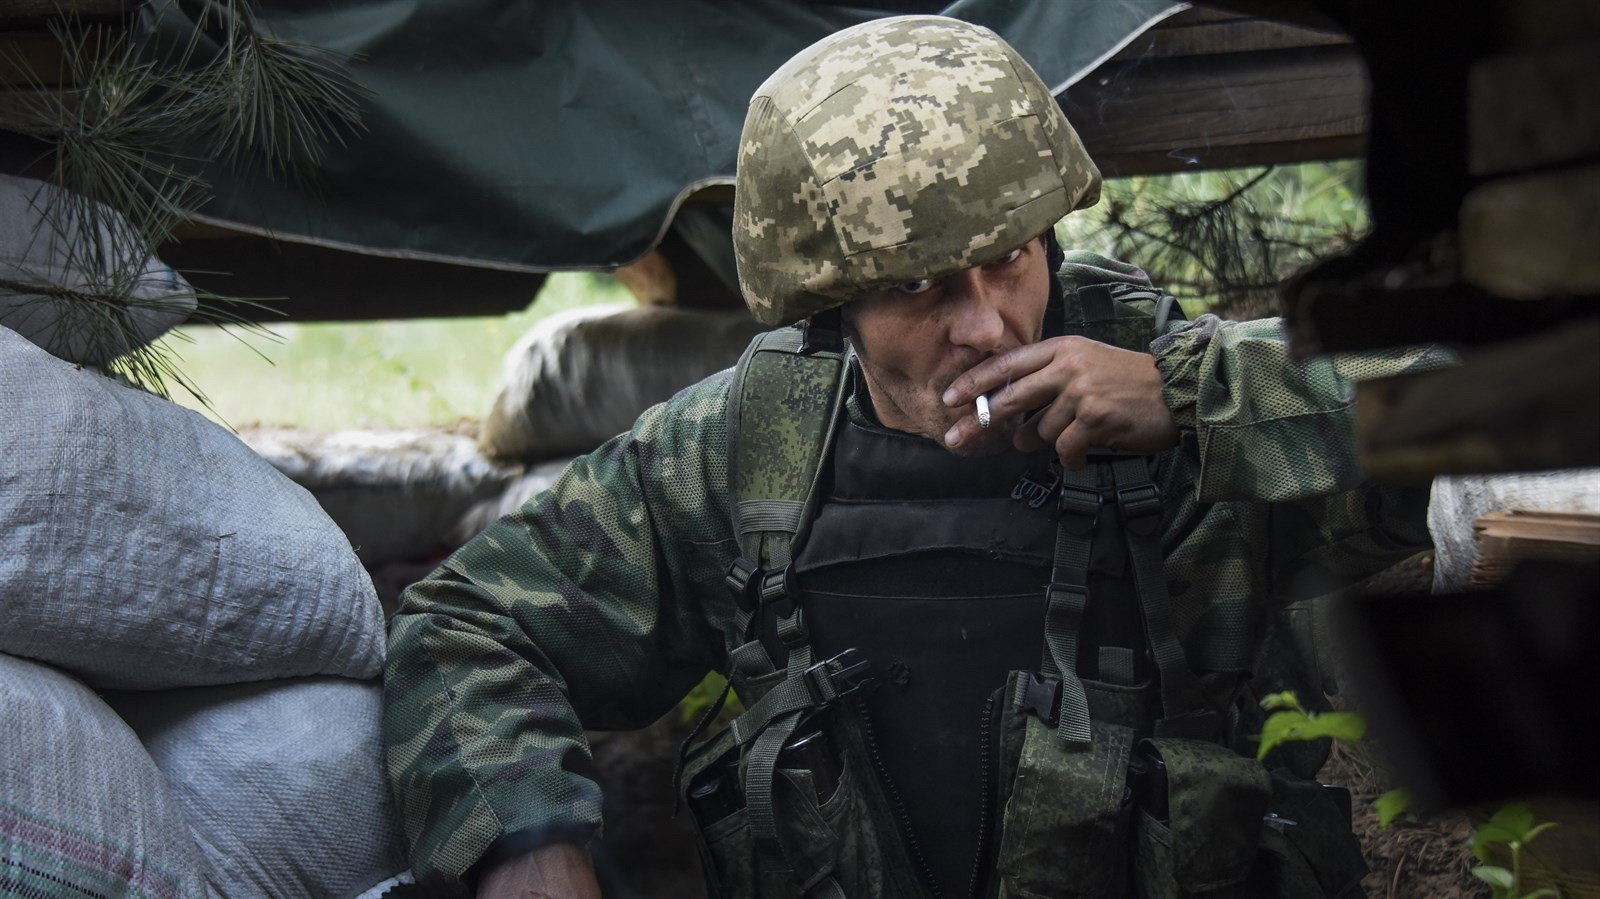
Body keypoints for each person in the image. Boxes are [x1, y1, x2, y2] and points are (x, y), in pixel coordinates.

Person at [385, 16, 1448, 899]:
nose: (985, 324)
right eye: (917, 285)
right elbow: (468, 622)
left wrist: (1192, 398)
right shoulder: (745, 453)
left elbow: (1489, 390)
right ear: (831, 304)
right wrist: (527, 841)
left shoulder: (1183, 403)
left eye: (1009, 258)